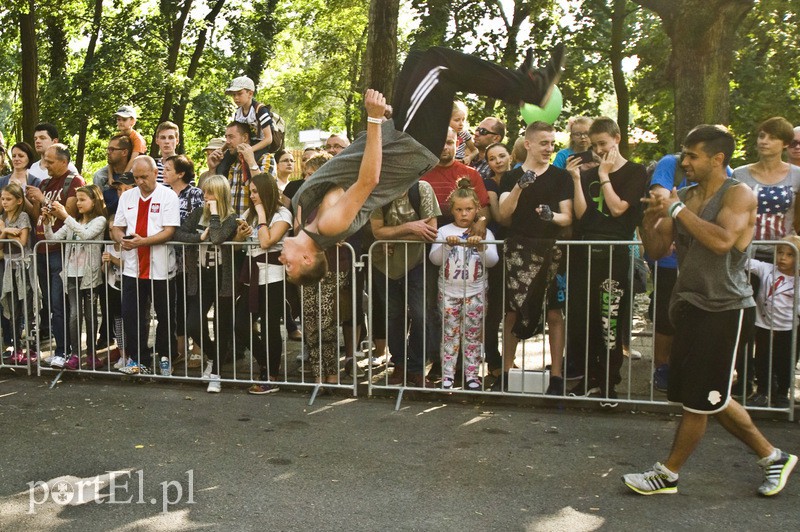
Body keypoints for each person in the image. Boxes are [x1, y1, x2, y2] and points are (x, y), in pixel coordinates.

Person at [283, 44, 565, 286]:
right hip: (410, 148)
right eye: (289, 266)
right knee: (438, 65)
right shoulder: (330, 226)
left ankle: (518, 80)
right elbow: (367, 180)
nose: (282, 259)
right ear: (308, 258)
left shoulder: (303, 221)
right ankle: (527, 87)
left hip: (397, 138)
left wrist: (385, 122)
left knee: (419, 57)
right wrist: (372, 119)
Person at [625, 124, 797, 497]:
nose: (683, 162)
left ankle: (667, 474)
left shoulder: (740, 195)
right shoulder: (685, 195)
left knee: (701, 399)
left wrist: (676, 208)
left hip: (726, 308)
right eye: (684, 154)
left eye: (692, 156)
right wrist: (649, 217)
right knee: (708, 395)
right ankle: (773, 456)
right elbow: (656, 250)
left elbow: (721, 242)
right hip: (689, 304)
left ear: (717, 159)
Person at [565, 117, 648, 403]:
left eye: (603, 144)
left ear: (617, 139)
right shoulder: (588, 173)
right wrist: (577, 179)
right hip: (584, 255)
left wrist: (604, 175)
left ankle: (608, 383)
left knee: (608, 320)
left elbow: (617, 209)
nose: (599, 150)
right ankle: (588, 379)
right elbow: (581, 215)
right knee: (582, 320)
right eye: (594, 145)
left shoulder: (636, 172)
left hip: (614, 256)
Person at [495, 121, 573, 394]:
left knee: (554, 311)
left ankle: (556, 377)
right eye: (544, 143)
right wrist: (519, 187)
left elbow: (568, 217)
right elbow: (503, 215)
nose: (549, 148)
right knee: (514, 311)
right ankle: (505, 373)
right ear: (528, 144)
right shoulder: (510, 176)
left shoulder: (561, 177)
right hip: (518, 250)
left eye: (552, 143)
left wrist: (552, 216)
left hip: (551, 251)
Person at [111, 156, 180, 375]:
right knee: (132, 315)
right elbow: (117, 226)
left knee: (165, 315)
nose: (139, 181)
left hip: (161, 269)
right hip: (132, 268)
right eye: (136, 177)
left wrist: (143, 242)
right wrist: (123, 239)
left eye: (144, 176)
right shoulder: (127, 196)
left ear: (154, 173)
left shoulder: (168, 195)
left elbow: (169, 231)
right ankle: (137, 359)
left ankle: (165, 356)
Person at [370, 178, 440, 387]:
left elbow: (430, 231)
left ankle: (417, 369)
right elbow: (377, 231)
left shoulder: (421, 188)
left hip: (417, 262)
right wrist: (410, 227)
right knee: (393, 316)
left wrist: (392, 236)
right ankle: (399, 365)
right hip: (385, 264)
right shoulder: (379, 189)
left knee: (421, 316)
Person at [429, 179, 499, 390]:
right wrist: (447, 247)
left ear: (476, 209)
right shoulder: (443, 231)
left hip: (476, 292)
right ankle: (448, 375)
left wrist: (481, 248)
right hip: (449, 292)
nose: (464, 214)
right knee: (449, 334)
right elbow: (435, 259)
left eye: (469, 209)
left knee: (473, 334)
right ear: (452, 210)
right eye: (459, 209)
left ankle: (471, 375)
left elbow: (492, 261)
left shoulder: (485, 232)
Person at [173, 175, 239, 392]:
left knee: (221, 326)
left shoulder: (230, 217)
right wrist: (198, 239)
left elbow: (218, 237)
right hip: (200, 276)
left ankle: (216, 373)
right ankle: (212, 357)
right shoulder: (196, 214)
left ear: (219, 194)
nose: (205, 196)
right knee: (193, 323)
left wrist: (214, 215)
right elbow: (178, 232)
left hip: (223, 278)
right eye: (204, 192)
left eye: (209, 193)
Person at [26, 143, 86, 362]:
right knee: (50, 304)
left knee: (60, 303)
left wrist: (43, 199)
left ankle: (64, 351)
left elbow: (69, 213)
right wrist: (32, 199)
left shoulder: (74, 181)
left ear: (64, 161)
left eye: (50, 161)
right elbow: (36, 217)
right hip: (42, 248)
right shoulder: (45, 182)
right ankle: (57, 349)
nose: (46, 165)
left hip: (60, 251)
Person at [235, 173, 292, 394]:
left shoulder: (281, 214)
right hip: (251, 276)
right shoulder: (248, 212)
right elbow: (239, 244)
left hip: (273, 276)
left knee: (270, 328)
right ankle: (264, 361)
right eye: (251, 192)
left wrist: (261, 217)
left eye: (256, 192)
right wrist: (240, 234)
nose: (252, 196)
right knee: (240, 324)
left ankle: (271, 375)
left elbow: (267, 241)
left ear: (267, 191)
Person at [43, 185, 107, 370]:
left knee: (90, 315)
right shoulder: (73, 222)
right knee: (74, 315)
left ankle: (92, 354)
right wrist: (47, 222)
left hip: (89, 275)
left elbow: (86, 235)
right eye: (77, 199)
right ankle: (76, 354)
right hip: (71, 274)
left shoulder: (100, 220)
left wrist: (65, 216)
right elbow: (53, 239)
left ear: (94, 201)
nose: (78, 203)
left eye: (82, 199)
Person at [732, 117, 800, 262]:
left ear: (785, 144)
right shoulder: (739, 174)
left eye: (772, 138)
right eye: (761, 136)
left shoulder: (797, 175)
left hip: (784, 255)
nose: (764, 141)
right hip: (746, 253)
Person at [745, 235, 800, 408]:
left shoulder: (798, 280)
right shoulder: (767, 269)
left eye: (790, 254)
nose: (783, 257)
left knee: (785, 361)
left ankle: (782, 392)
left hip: (787, 327)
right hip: (764, 324)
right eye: (780, 252)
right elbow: (747, 263)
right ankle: (762, 391)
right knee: (762, 358)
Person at [163, 154, 204, 368]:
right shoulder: (164, 193)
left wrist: (176, 233)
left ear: (180, 173)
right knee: (177, 304)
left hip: (191, 260)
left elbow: (195, 225)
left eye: (168, 169)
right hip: (170, 260)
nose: (164, 172)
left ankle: (197, 348)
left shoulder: (195, 194)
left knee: (193, 303)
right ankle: (180, 348)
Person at [0, 183, 33, 364]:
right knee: (12, 308)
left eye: (8, 199)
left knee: (26, 306)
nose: (4, 202)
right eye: (3, 198)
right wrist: (5, 230)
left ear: (19, 200)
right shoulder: (2, 219)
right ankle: (16, 346)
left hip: (23, 265)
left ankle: (29, 347)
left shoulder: (23, 216)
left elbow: (22, 241)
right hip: (8, 266)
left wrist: (5, 234)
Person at [225, 75, 275, 158]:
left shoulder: (260, 110)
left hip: (261, 145)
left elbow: (269, 139)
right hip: (246, 145)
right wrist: (222, 150)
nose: (236, 98)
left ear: (250, 94)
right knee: (223, 163)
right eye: (234, 95)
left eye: (240, 93)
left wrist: (250, 150)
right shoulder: (238, 113)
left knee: (248, 162)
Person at [0, 142, 41, 216]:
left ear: (29, 158)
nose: (16, 159)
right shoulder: (2, 181)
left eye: (21, 156)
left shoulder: (35, 182)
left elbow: (35, 215)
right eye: (14, 156)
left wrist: (19, 192)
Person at [114, 106, 147, 172]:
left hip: (135, 165)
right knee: (98, 175)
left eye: (124, 119)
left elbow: (133, 159)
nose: (121, 122)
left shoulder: (137, 139)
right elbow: (112, 157)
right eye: (118, 119)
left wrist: (124, 175)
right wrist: (110, 176)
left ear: (133, 121)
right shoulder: (117, 137)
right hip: (120, 164)